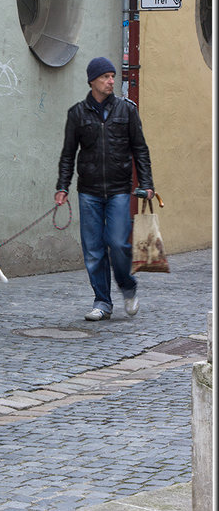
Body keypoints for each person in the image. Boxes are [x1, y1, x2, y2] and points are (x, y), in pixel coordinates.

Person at [54, 57, 154, 321]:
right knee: (94, 250)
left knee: (118, 244)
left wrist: (147, 183)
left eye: (112, 76)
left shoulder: (127, 111)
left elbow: (140, 149)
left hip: (120, 190)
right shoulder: (77, 114)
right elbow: (67, 154)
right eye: (106, 77)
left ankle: (128, 287)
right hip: (89, 191)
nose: (111, 81)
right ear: (93, 81)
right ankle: (102, 301)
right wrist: (62, 186)